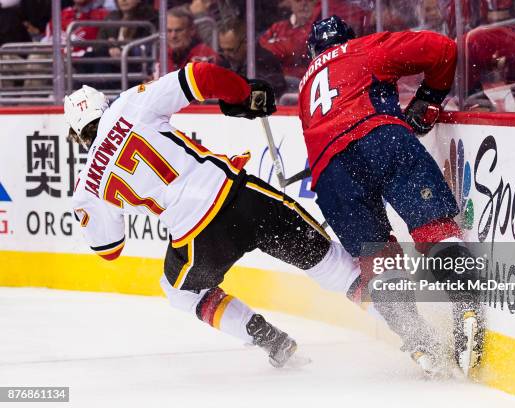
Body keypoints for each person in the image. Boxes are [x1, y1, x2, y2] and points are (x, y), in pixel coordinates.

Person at [64, 62, 421, 370]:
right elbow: (200, 75)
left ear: (78, 135)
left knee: (179, 292)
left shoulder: (87, 186)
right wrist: (241, 93)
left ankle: (266, 337)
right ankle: (420, 338)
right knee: (337, 268)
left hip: (197, 240)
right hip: (244, 199)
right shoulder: (128, 105)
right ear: (103, 106)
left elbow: (109, 249)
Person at [297, 16, 484, 376]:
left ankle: (417, 340)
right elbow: (443, 49)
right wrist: (429, 99)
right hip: (379, 137)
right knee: (433, 229)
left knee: (377, 261)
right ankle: (467, 305)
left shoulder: (305, 87)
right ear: (347, 39)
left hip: (331, 173)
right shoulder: (362, 47)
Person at [218, 18, 287, 97]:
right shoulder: (224, 64)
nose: (226, 55)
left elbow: (272, 92)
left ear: (246, 42)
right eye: (222, 50)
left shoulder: (265, 61)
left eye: (231, 50)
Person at [165, 7, 218, 72]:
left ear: (192, 30)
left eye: (179, 30)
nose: (173, 36)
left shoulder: (204, 54)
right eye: (169, 31)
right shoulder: (165, 54)